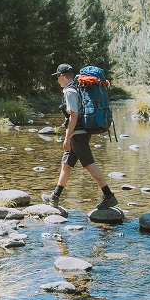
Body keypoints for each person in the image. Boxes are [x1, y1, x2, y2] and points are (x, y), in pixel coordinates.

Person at [43, 63, 118, 211]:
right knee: (66, 164)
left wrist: (67, 137)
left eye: (57, 77)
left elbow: (74, 115)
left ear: (62, 76)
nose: (57, 80)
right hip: (82, 133)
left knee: (90, 165)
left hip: (77, 135)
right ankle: (55, 196)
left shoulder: (69, 91)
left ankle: (109, 196)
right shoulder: (77, 87)